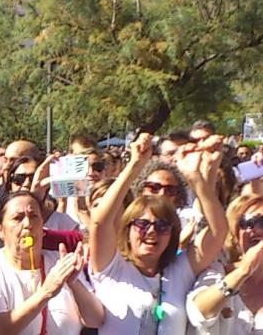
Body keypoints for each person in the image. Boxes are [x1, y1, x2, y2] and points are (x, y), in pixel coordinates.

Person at [89, 133, 228, 334]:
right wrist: (135, 165)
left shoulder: (179, 270)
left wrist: (199, 183)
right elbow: (100, 222)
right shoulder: (111, 267)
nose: (152, 231)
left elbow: (218, 233)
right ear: (128, 228)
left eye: (163, 226)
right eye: (143, 224)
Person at [0, 191, 104, 334]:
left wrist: (73, 283)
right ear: (1, 230)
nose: (28, 224)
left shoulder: (59, 262)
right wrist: (45, 292)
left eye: (33, 216)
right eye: (18, 218)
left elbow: (95, 319)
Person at [186, 195, 263, 334]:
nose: (255, 229)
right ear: (236, 236)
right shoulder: (217, 272)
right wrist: (243, 271)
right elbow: (198, 313)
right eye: (247, 222)